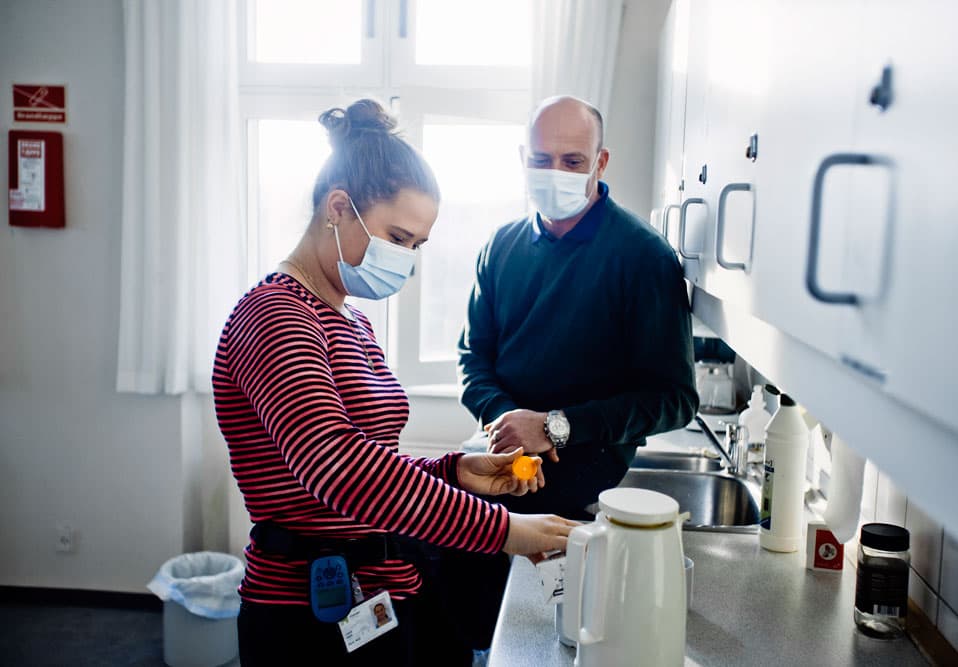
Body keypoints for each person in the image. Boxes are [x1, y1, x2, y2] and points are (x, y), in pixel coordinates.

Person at [212, 98, 576, 667]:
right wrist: (505, 531)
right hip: (306, 610)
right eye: (398, 238)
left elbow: (374, 457)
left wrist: (455, 470)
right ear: (338, 208)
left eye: (417, 246)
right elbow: (340, 469)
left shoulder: (349, 316)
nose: (406, 259)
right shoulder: (276, 317)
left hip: (379, 585)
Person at [450, 94, 699, 647]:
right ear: (522, 158)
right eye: (541, 160)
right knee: (472, 621)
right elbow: (473, 360)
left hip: (584, 484)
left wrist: (555, 427)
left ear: (601, 162)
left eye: (572, 161)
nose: (555, 173)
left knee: (545, 639)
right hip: (498, 462)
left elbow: (674, 397)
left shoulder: (643, 259)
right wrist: (507, 424)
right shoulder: (501, 247)